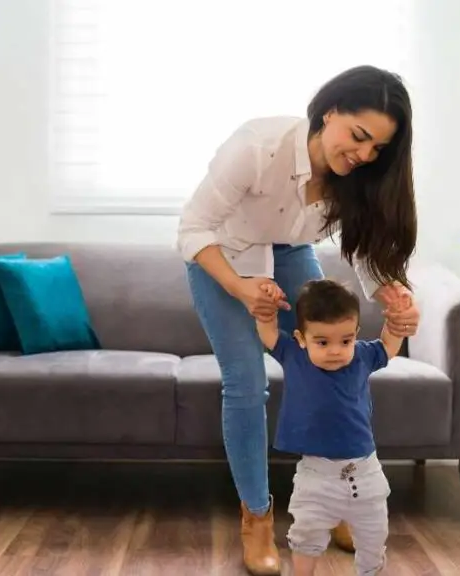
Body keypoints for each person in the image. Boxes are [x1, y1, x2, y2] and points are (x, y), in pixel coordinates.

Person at [176, 64, 420, 575]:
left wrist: (392, 294)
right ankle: (257, 517)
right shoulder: (256, 147)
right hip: (223, 252)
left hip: (289, 251)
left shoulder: (359, 177)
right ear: (329, 111)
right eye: (358, 136)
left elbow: (363, 251)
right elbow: (194, 228)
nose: (363, 155)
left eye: (377, 148)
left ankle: (334, 503)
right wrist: (240, 287)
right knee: (246, 381)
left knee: (328, 362)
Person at [256, 279, 405, 575]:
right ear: (301, 337)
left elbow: (389, 345)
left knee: (374, 538)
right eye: (322, 342)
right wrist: (267, 308)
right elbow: (268, 333)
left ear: (356, 335)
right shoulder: (293, 354)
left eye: (345, 340)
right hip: (316, 475)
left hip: (365, 472)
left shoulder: (362, 356)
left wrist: (397, 319)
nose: (336, 351)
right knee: (305, 536)